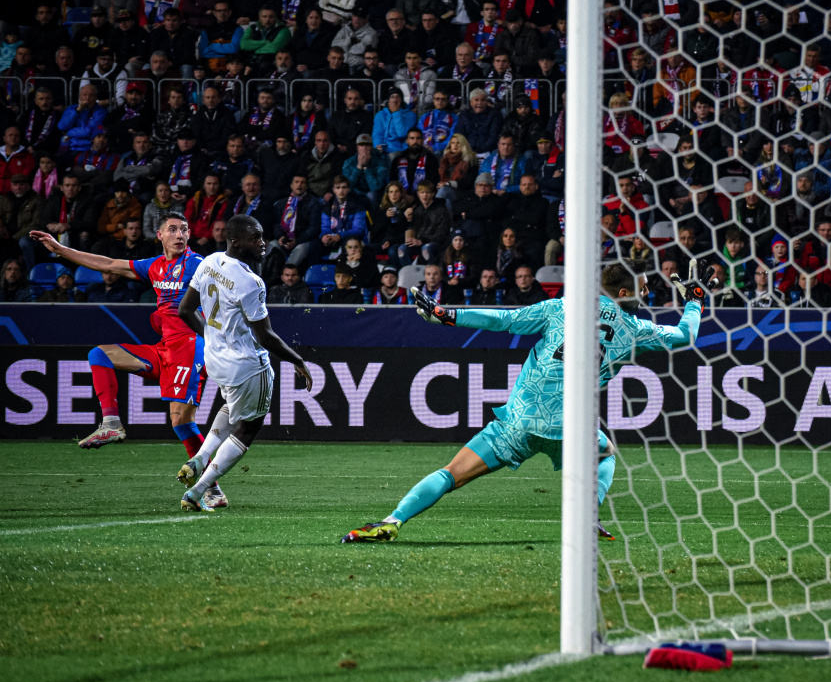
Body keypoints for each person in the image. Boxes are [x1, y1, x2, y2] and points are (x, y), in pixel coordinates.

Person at [341, 261, 718, 543]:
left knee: (451, 473)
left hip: (520, 420)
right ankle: (588, 514)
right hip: (570, 427)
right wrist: (694, 301)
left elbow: (503, 320)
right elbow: (685, 335)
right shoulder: (636, 329)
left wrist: (447, 314)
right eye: (643, 288)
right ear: (622, 294)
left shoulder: (562, 307)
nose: (647, 293)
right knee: (604, 454)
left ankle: (392, 521)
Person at [27, 216, 225, 504]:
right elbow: (108, 264)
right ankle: (111, 423)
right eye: (172, 229)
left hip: (190, 346)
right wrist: (60, 250)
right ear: (159, 235)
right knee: (99, 354)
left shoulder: (198, 264)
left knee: (181, 421)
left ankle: (212, 489)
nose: (179, 234)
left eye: (184, 229)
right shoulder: (154, 266)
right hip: (164, 349)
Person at [176, 214, 313, 511]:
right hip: (246, 365)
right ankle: (198, 491)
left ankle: (199, 458)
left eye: (262, 236)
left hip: (216, 360)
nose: (262, 243)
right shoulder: (251, 282)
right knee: (249, 427)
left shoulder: (209, 262)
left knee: (233, 406)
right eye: (255, 238)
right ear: (236, 242)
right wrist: (297, 359)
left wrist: (213, 338)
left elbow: (185, 310)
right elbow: (265, 336)